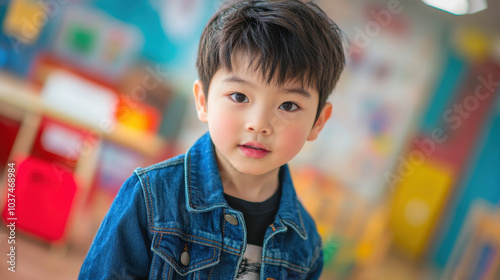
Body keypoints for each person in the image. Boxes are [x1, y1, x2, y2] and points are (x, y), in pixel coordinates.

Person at [79, 0, 345, 279]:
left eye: (288, 105)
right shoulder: (150, 197)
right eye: (240, 97)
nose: (259, 124)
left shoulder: (306, 246)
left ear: (318, 121)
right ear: (203, 101)